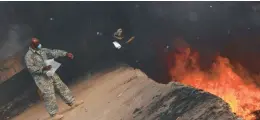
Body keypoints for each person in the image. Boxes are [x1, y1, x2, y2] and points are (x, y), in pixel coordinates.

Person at [24, 38, 83, 120]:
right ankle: (54, 115)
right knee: (49, 95)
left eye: (39, 43)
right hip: (42, 79)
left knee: (61, 87)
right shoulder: (29, 56)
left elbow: (53, 52)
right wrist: (43, 68)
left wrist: (65, 54)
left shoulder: (42, 50)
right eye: (37, 44)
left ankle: (72, 102)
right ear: (32, 45)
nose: (39, 45)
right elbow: (31, 69)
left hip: (51, 73)